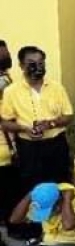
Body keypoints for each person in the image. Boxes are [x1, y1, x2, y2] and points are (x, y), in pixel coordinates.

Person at [1, 46, 73, 196]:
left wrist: (51, 123)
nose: (37, 67)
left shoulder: (57, 88)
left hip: (56, 145)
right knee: (32, 189)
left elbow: (68, 116)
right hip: (29, 148)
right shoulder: (11, 91)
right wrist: (25, 129)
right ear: (21, 66)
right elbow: (5, 123)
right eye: (31, 63)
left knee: (61, 185)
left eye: (41, 63)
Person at [0, 40, 17, 232]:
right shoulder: (3, 82)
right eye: (2, 54)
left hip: (9, 145)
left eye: (6, 53)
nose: (6, 57)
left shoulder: (6, 77)